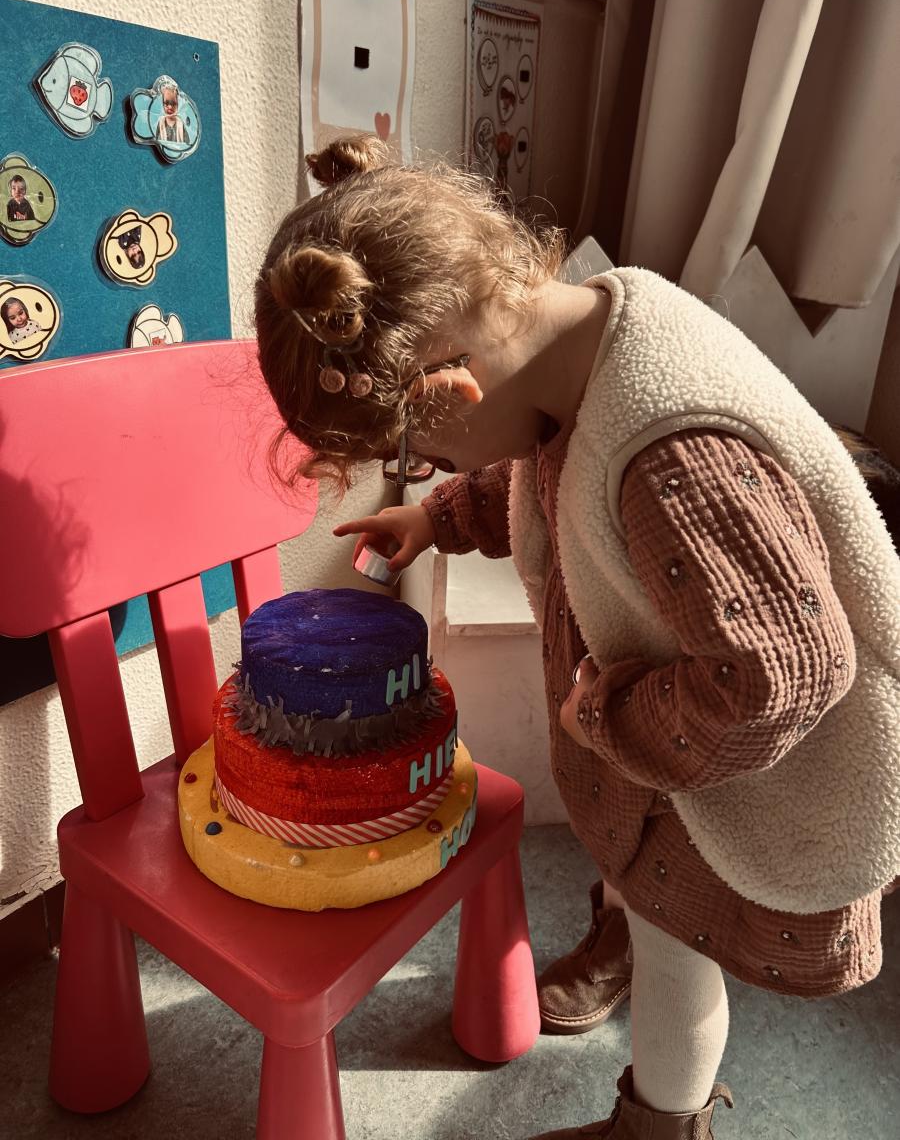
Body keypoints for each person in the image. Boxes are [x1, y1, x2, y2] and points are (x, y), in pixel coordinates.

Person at [253, 134, 899, 1139]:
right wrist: (439, 518)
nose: (427, 472)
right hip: (669, 722)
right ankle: (626, 921)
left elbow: (781, 675)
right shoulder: (584, 335)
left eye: (418, 459)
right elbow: (538, 462)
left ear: (452, 389)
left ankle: (660, 1122)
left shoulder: (671, 464)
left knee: (679, 960)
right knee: (637, 873)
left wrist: (605, 717)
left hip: (735, 753)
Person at [155, 79, 186, 144]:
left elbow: (186, 142)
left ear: (178, 104)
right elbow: (156, 139)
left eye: (173, 104)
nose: (169, 107)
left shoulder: (180, 124)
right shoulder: (160, 123)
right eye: (166, 103)